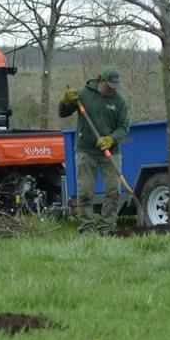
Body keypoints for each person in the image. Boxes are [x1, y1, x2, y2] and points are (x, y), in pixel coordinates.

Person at [59, 65, 130, 234]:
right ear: (101, 80)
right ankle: (87, 228)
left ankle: (107, 227)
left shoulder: (119, 102)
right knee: (85, 192)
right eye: (109, 87)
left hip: (110, 152)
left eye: (115, 88)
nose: (111, 91)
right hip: (86, 151)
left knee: (113, 191)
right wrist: (65, 100)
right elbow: (63, 113)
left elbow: (124, 127)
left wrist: (111, 139)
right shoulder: (83, 94)